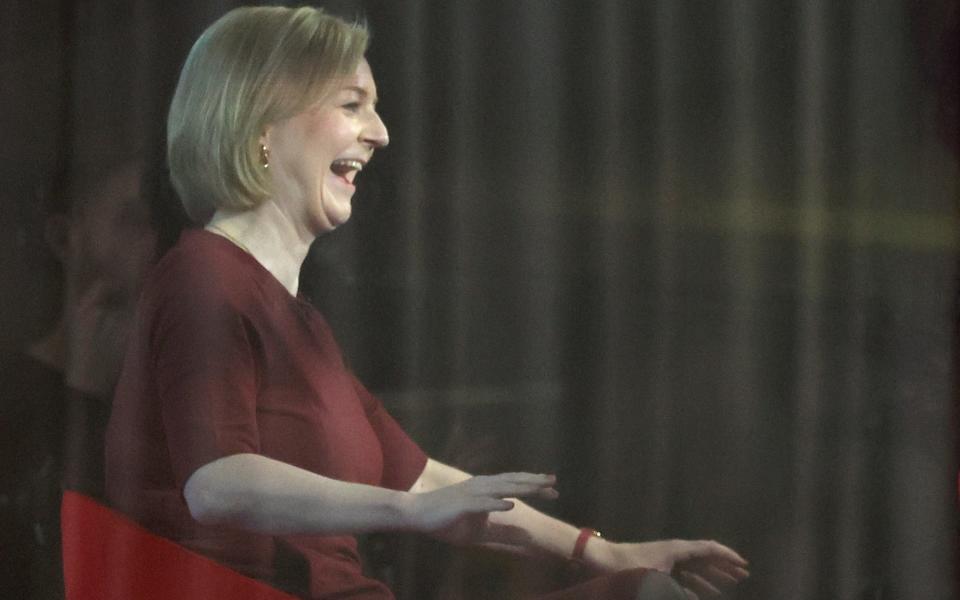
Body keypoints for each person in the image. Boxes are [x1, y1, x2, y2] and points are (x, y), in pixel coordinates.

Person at [104, 7, 749, 599]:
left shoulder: (303, 326)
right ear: (262, 123)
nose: (380, 133)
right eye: (353, 104)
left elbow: (427, 482)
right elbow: (216, 485)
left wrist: (607, 553)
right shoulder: (202, 278)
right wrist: (410, 513)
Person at [1, 157, 160, 599]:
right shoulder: (13, 391)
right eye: (130, 220)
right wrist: (84, 393)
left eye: (150, 220)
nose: (150, 240)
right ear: (64, 238)